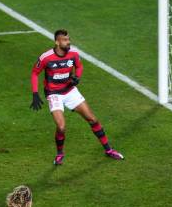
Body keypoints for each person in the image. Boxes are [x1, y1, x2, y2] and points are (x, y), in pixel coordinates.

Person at [30, 29, 124, 165]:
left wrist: (77, 78)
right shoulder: (46, 57)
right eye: (65, 40)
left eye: (69, 39)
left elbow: (79, 67)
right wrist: (35, 93)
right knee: (61, 127)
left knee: (92, 119)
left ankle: (108, 150)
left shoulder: (73, 54)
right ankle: (60, 154)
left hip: (70, 91)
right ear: (57, 42)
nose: (68, 42)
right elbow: (34, 73)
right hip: (54, 94)